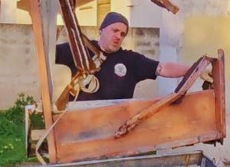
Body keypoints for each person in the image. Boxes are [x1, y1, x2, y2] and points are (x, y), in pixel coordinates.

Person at [54, 12, 191, 102]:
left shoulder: (131, 60)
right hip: (79, 127)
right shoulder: (79, 50)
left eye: (122, 34)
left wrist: (197, 69)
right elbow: (47, 55)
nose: (118, 36)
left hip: (117, 131)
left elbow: (163, 68)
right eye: (115, 31)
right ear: (101, 30)